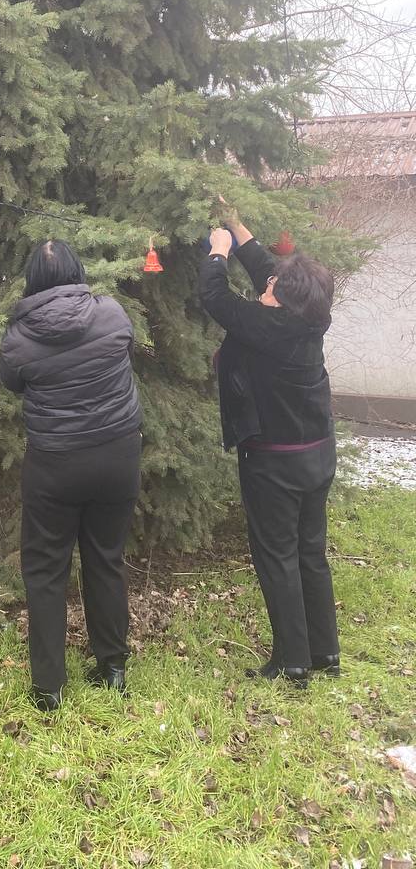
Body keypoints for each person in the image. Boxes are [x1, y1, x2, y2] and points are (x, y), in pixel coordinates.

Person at [0, 240, 143, 710]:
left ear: (32, 280)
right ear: (79, 270)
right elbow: (126, 348)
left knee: (45, 570)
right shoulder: (113, 314)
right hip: (117, 455)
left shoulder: (18, 337)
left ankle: (49, 687)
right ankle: (113, 666)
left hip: (55, 465)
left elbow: (12, 381)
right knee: (106, 557)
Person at [199, 210, 339, 688]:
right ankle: (324, 652)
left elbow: (214, 296)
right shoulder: (308, 317)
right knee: (310, 552)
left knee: (276, 554)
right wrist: (239, 229)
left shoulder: (264, 324)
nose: (267, 285)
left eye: (273, 287)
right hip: (317, 455)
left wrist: (218, 251)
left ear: (281, 301)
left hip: (274, 461)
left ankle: (291, 662)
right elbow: (269, 271)